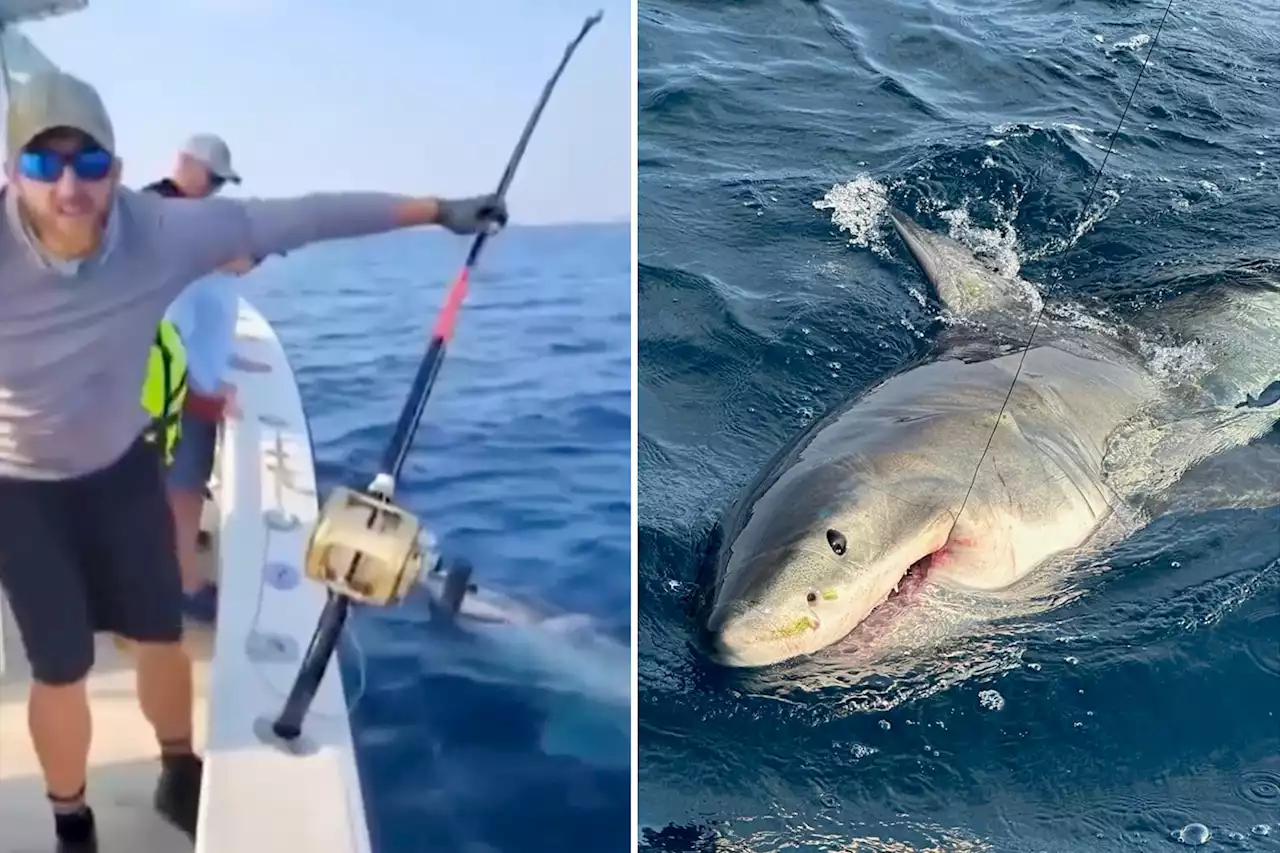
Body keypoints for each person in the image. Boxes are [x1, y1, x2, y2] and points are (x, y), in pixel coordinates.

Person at [0, 69, 507, 853]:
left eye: (89, 163)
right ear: (12, 173)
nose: (69, 186)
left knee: (160, 630)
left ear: (119, 169)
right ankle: (72, 819)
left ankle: (178, 760)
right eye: (42, 164)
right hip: (21, 489)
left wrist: (439, 211)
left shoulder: (162, 230)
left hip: (122, 466)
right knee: (60, 666)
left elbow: (301, 218)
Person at [143, 133, 252, 624]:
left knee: (172, 488)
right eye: (210, 179)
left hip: (177, 397)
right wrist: (204, 400)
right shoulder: (167, 228)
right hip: (181, 402)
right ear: (186, 164)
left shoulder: (195, 244)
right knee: (184, 490)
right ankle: (185, 585)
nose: (213, 191)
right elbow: (161, 346)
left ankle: (171, 555)